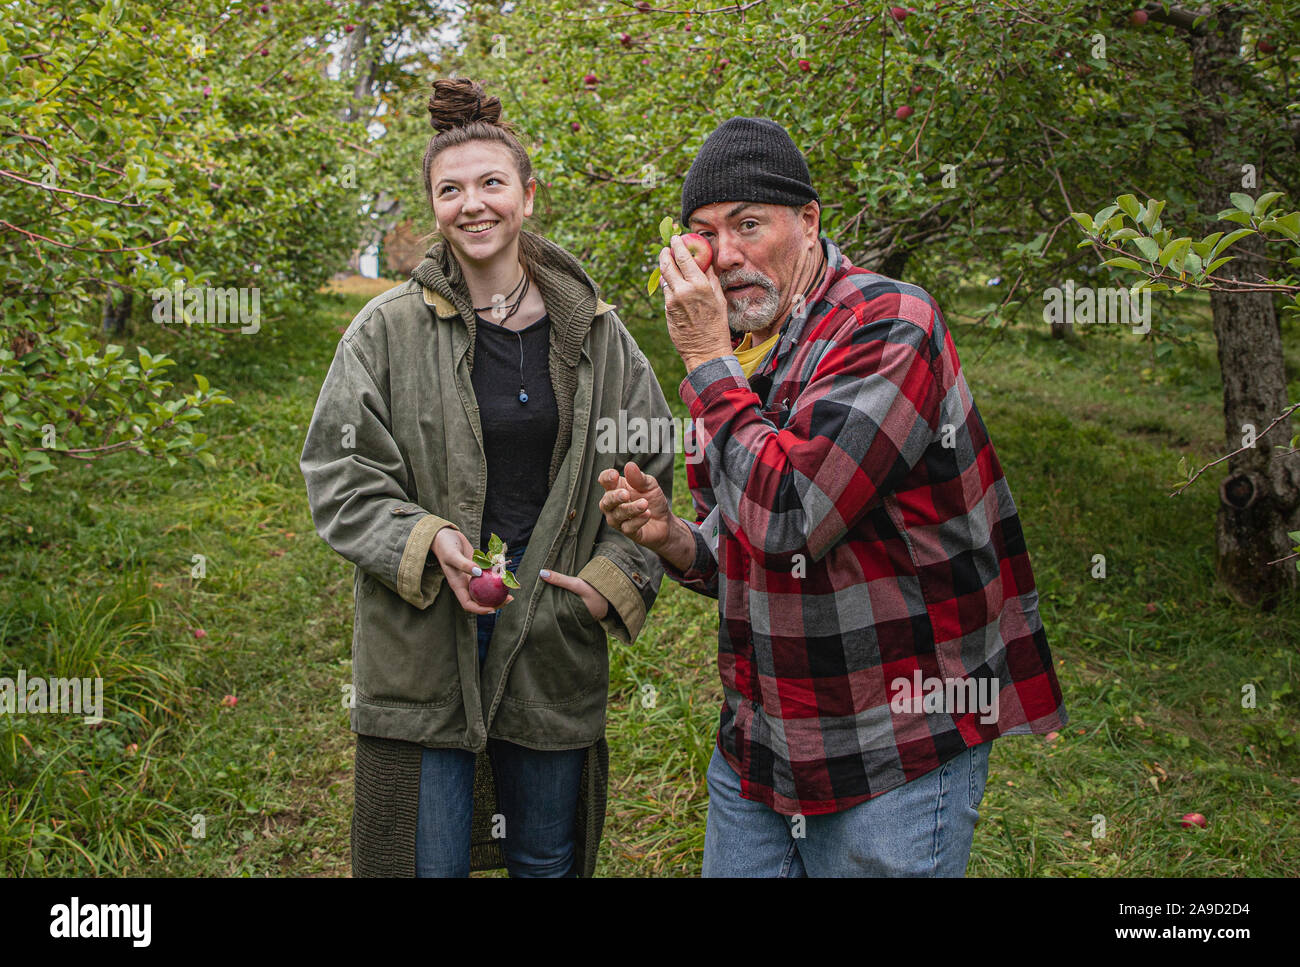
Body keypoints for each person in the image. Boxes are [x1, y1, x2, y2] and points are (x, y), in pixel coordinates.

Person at [598, 116, 1068, 877]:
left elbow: (792, 515)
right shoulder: (743, 350)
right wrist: (674, 536)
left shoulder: (889, 323)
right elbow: (747, 539)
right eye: (706, 233)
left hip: (895, 742)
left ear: (809, 222)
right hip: (763, 739)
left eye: (750, 224)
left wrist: (706, 361)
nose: (727, 255)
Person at [300, 78, 673, 878]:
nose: (473, 205)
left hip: (551, 627)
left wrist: (612, 578)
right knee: (422, 858)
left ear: (527, 196)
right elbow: (338, 467)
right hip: (427, 629)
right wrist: (425, 537)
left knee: (545, 853)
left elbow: (653, 465)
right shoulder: (387, 330)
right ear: (432, 205)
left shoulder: (596, 336)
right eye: (450, 189)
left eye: (491, 183)